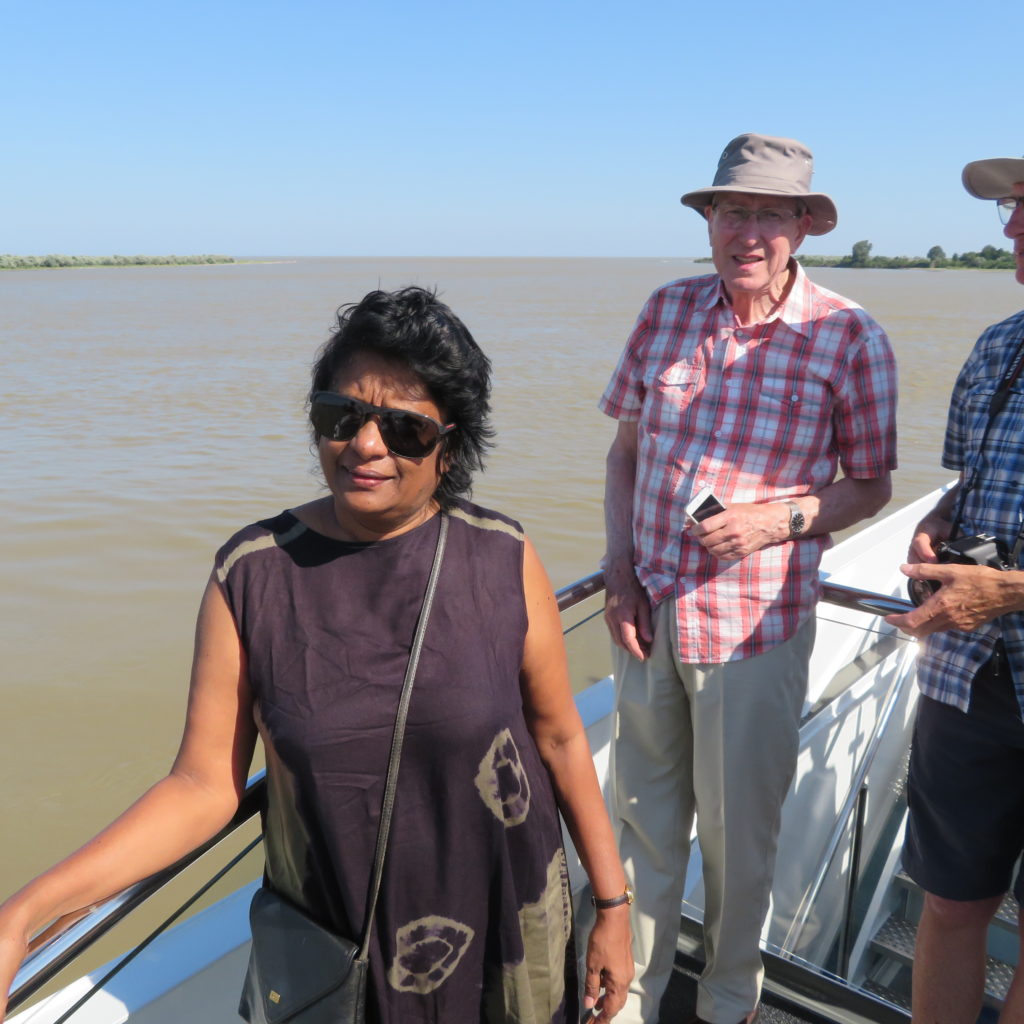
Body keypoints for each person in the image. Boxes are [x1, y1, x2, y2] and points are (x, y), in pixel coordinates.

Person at [0, 286, 633, 1023]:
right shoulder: (253, 574)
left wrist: (613, 907)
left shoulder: (500, 556)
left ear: (449, 445)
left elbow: (556, 738)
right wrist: (23, 915)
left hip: (505, 920)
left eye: (405, 430)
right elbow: (203, 786)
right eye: (342, 416)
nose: (366, 446)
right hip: (341, 946)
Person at [599, 133, 898, 1024]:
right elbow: (624, 452)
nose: (750, 232)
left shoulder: (849, 336)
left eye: (771, 213)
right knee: (644, 828)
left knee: (739, 845)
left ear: (804, 226)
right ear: (710, 220)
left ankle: (728, 1004)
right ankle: (630, 1001)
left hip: (753, 631)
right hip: (645, 613)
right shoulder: (666, 309)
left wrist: (777, 520)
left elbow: (873, 484)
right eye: (734, 210)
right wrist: (617, 572)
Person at [885, 153, 1024, 1024]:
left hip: (991, 628)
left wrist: (1010, 593)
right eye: (1012, 207)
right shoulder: (999, 346)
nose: (1009, 228)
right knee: (948, 902)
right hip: (968, 678)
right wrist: (935, 523)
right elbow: (964, 481)